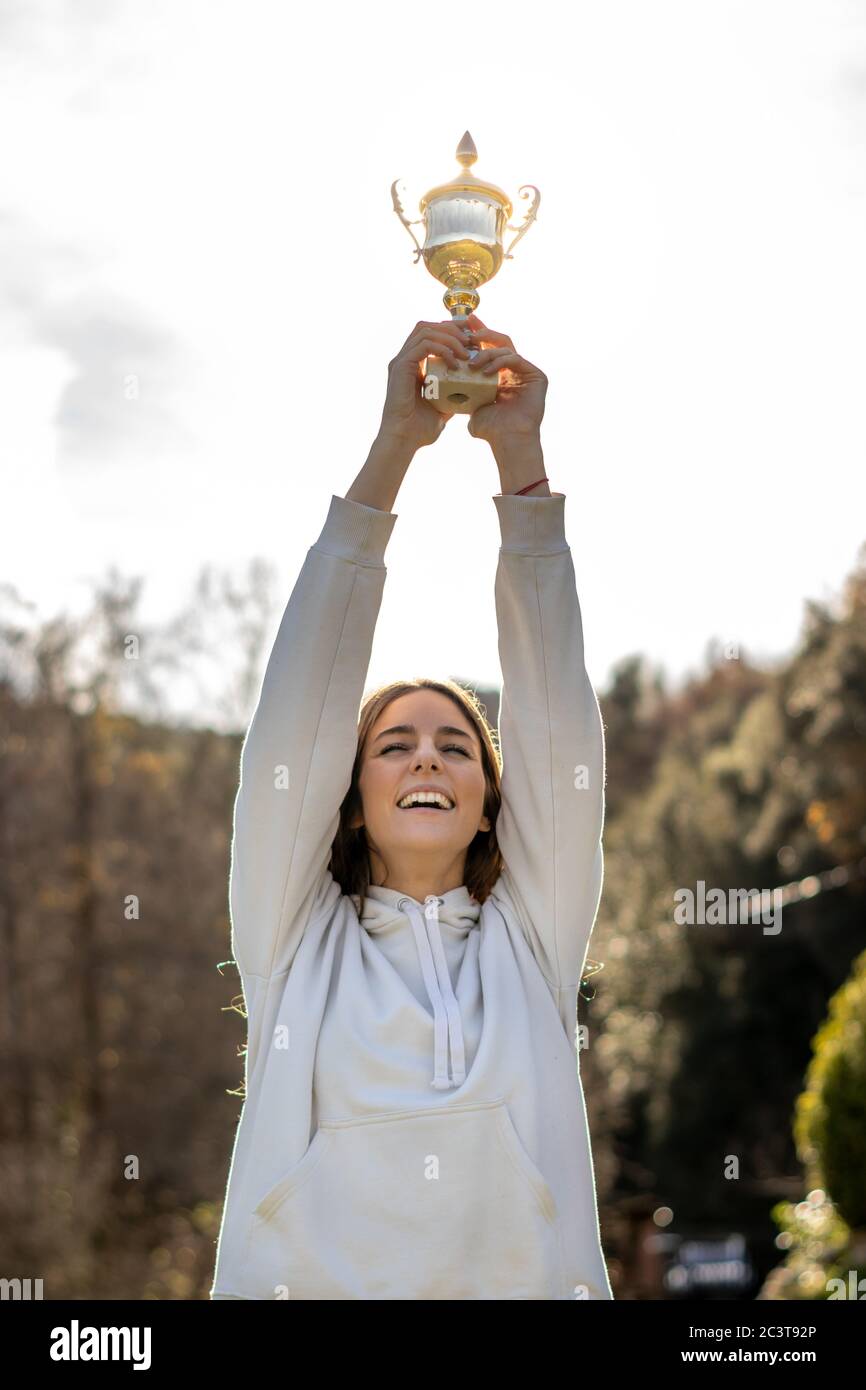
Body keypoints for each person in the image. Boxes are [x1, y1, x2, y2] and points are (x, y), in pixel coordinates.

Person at [209, 317, 614, 1300]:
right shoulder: (291, 942)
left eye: (454, 744)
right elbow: (294, 727)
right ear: (348, 802)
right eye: (392, 743)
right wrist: (395, 446)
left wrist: (521, 468)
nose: (425, 755)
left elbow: (558, 726)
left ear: (489, 805)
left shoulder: (531, 941)